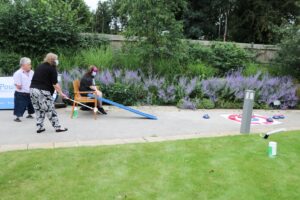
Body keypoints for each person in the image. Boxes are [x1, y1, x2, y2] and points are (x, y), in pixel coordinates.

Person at [30, 53, 68, 133]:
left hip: (32, 90)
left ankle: (40, 127)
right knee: (50, 109)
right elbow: (55, 84)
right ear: (53, 60)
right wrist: (61, 93)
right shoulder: (52, 68)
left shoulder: (40, 66)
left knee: (38, 109)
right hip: (42, 91)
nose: (57, 61)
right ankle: (57, 127)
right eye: (56, 59)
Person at [13, 57, 35, 122]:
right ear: (23, 65)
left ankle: (30, 114)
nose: (30, 66)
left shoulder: (32, 72)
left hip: (30, 92)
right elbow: (18, 86)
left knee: (31, 104)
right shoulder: (18, 73)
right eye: (28, 64)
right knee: (20, 105)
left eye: (30, 64)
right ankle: (18, 117)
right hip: (21, 93)